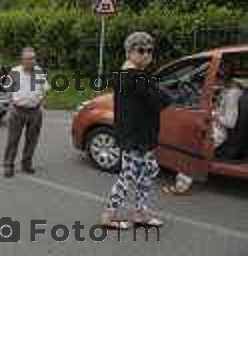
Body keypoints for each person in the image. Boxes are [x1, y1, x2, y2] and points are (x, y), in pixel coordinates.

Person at [101, 32, 174, 230]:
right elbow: (162, 100)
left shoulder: (123, 74)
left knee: (148, 169)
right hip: (138, 138)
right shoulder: (138, 77)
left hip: (131, 134)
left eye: (150, 50)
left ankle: (140, 212)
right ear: (129, 52)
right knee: (128, 174)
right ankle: (110, 215)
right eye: (141, 50)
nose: (147, 54)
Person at [162, 62, 244, 196]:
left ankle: (181, 187)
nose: (214, 81)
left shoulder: (232, 95)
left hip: (219, 131)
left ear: (222, 77)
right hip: (214, 125)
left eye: (216, 77)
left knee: (192, 150)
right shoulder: (229, 89)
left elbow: (230, 122)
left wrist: (212, 114)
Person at [2, 47, 46, 178]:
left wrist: (42, 105)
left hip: (35, 112)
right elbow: (8, 91)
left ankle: (26, 163)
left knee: (32, 140)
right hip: (18, 111)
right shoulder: (15, 72)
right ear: (23, 60)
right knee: (13, 140)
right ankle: (8, 165)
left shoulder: (39, 72)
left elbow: (43, 90)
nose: (32, 61)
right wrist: (11, 108)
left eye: (33, 58)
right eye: (29, 59)